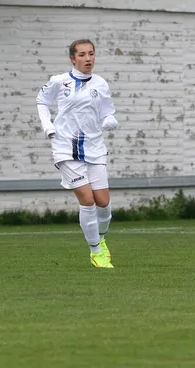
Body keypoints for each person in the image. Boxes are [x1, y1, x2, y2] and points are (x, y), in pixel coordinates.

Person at [37, 39, 119, 269]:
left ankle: (101, 239)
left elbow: (106, 113)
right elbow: (41, 100)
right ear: (73, 58)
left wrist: (110, 120)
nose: (88, 58)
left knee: (103, 202)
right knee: (88, 199)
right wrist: (48, 126)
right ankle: (95, 252)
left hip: (94, 149)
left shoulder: (101, 84)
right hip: (65, 149)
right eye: (82, 54)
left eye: (91, 54)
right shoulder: (59, 81)